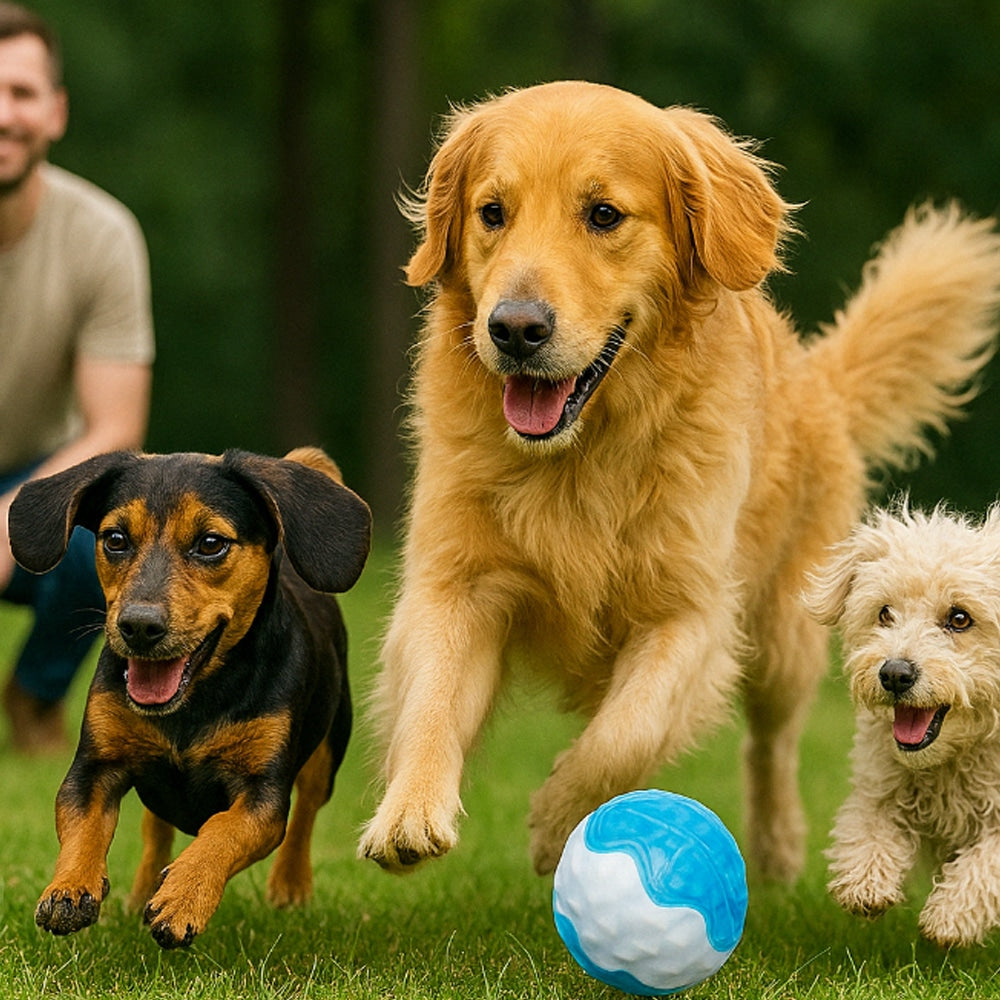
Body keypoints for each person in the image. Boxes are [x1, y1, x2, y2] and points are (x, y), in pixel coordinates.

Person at [0, 2, 154, 753]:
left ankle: (34, 695)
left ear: (55, 112)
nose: (3, 115)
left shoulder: (102, 235)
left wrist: (11, 518)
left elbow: (116, 428)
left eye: (21, 93)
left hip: (36, 473)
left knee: (108, 534)